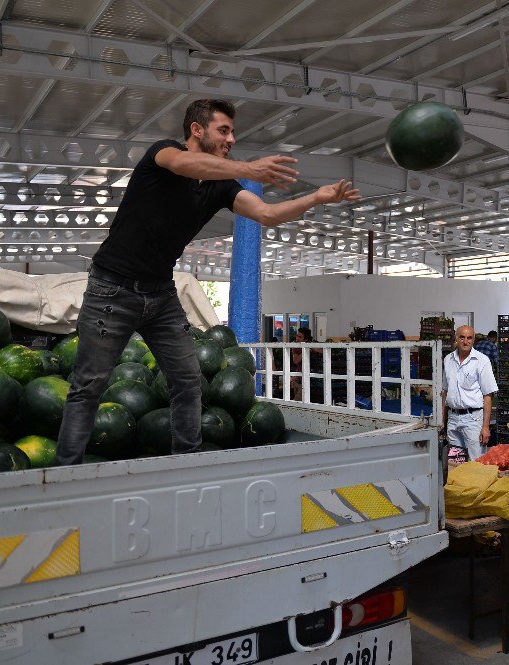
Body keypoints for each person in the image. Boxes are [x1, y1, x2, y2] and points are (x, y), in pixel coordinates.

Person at [55, 99, 360, 465]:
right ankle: (65, 472)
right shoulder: (164, 154)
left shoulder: (219, 187)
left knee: (187, 382)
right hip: (112, 289)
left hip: (161, 295)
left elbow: (267, 214)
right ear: (197, 130)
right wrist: (249, 168)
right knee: (88, 387)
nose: (231, 138)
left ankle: (188, 463)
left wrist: (315, 198)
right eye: (224, 130)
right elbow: (186, 164)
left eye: (233, 132)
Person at [441, 325, 498, 460]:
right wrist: (442, 420)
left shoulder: (482, 361)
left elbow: (488, 395)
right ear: (456, 338)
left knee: (476, 462)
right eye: (462, 337)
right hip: (453, 418)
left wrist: (485, 427)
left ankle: (477, 482)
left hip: (473, 419)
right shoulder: (448, 359)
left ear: (473, 340)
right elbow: (445, 392)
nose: (465, 341)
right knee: (455, 462)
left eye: (469, 338)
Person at [289, 327, 324, 402]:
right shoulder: (296, 347)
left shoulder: (313, 343)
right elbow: (295, 360)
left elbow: (323, 352)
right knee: (298, 400)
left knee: (298, 401)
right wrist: (305, 350)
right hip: (299, 377)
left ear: (306, 339)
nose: (297, 338)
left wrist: (312, 348)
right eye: (297, 336)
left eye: (300, 337)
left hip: (313, 378)